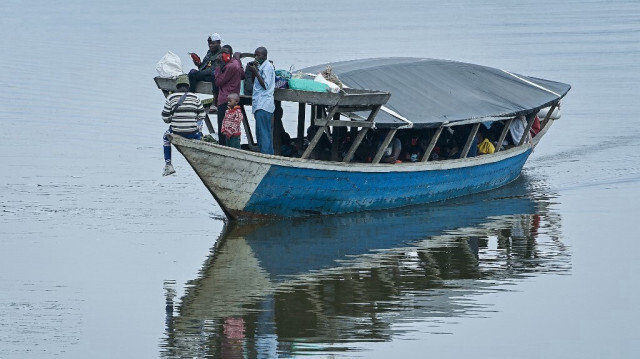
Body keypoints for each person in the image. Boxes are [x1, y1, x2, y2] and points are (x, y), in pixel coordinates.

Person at [161, 74, 204, 176]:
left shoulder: (170, 98)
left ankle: (168, 165)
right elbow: (202, 115)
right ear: (188, 86)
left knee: (165, 137)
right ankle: (199, 148)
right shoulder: (195, 97)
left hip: (176, 132)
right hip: (192, 133)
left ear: (177, 86)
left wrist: (173, 118)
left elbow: (165, 118)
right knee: (199, 127)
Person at [214, 44, 244, 145]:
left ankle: (223, 148)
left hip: (225, 100)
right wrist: (238, 59)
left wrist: (218, 66)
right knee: (228, 127)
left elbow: (218, 82)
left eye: (225, 53)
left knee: (222, 129)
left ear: (230, 54)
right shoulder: (236, 63)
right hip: (233, 100)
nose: (223, 55)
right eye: (221, 53)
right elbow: (243, 75)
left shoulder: (230, 66)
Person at [247, 47, 275, 155]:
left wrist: (256, 71)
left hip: (264, 104)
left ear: (265, 56)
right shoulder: (261, 66)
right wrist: (254, 71)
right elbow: (255, 82)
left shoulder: (267, 67)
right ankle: (265, 154)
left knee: (264, 134)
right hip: (259, 103)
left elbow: (265, 85)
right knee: (260, 133)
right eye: (255, 55)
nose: (256, 57)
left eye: (258, 55)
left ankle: (267, 156)